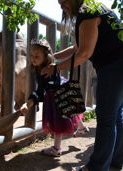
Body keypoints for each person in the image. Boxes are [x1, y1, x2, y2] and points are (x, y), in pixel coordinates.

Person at [41, 0, 123, 170]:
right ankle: (116, 159)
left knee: (107, 119)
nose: (61, 5)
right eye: (59, 2)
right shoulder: (96, 8)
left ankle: (96, 167)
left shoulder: (87, 13)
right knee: (116, 116)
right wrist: (51, 57)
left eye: (64, 1)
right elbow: (76, 48)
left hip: (114, 67)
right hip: (119, 66)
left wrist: (54, 68)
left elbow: (84, 53)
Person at [20, 39, 89, 157]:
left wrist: (30, 102)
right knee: (69, 109)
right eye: (31, 55)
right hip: (63, 86)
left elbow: (40, 90)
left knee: (58, 123)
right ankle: (81, 127)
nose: (33, 58)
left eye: (37, 56)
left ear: (45, 57)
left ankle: (57, 148)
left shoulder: (44, 70)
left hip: (55, 96)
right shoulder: (50, 65)